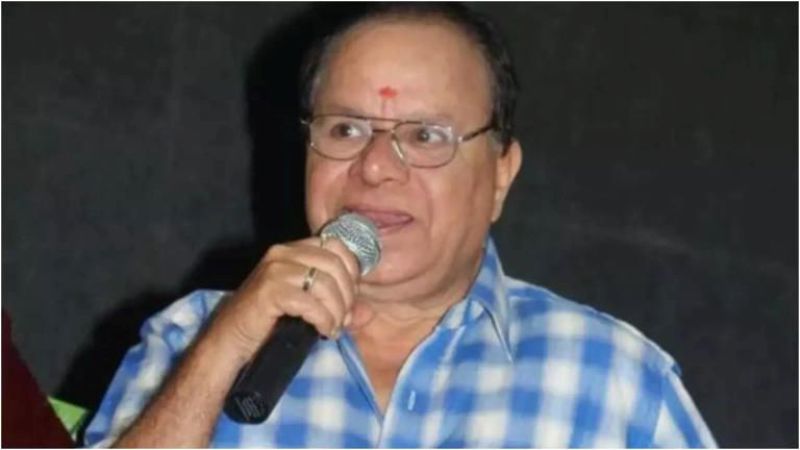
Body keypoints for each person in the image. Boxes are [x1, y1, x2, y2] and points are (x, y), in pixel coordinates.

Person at [84, 4, 716, 447]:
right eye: (346, 129)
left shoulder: (613, 380)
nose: (376, 166)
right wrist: (221, 353)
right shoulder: (192, 339)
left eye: (425, 136)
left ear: (501, 174)